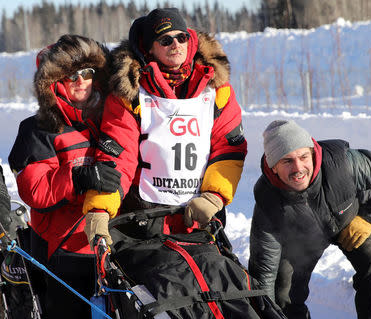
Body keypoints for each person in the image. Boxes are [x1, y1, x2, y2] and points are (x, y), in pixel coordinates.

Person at [82, 8, 247, 246]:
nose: (176, 44)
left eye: (182, 37)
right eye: (165, 40)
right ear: (149, 48)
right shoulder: (129, 94)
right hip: (144, 216)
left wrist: (214, 197)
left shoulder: (216, 89)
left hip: (201, 213)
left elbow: (229, 147)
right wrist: (100, 209)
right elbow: (117, 155)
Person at [248, 120, 371, 319]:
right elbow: (263, 272)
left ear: (313, 154)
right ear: (273, 167)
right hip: (303, 236)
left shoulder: (344, 164)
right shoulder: (268, 200)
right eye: (287, 161)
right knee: (282, 291)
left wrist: (368, 218)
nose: (298, 167)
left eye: (304, 157)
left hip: (353, 218)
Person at [8, 34, 121, 319]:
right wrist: (80, 178)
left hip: (109, 240)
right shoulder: (37, 129)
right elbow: (35, 189)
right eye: (71, 75)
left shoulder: (110, 120)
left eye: (87, 72)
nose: (81, 80)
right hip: (62, 247)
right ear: (54, 82)